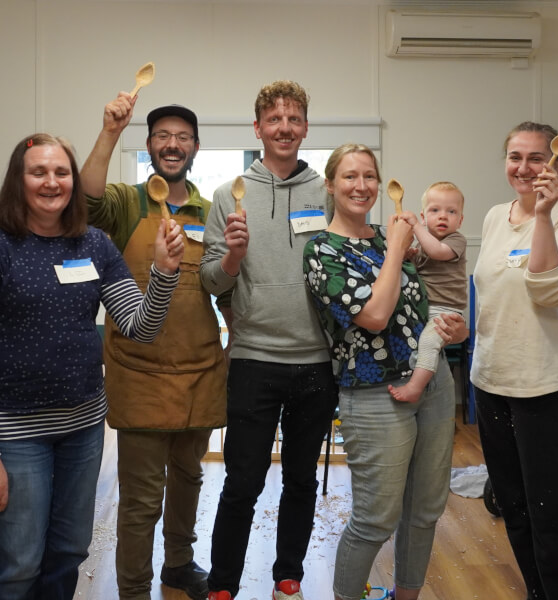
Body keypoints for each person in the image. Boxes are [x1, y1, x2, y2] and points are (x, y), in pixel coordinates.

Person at [0, 133, 184, 600]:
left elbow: (140, 326)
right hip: (14, 432)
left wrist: (164, 273)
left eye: (61, 172)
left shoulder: (93, 244)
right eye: (39, 172)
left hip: (82, 428)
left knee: (68, 552)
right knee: (17, 564)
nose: (51, 182)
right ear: (19, 179)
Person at [302, 144, 467, 600]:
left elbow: (418, 308)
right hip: (374, 392)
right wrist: (395, 248)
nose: (362, 186)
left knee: (426, 509)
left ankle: (406, 596)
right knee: (375, 519)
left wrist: (452, 327)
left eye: (370, 176)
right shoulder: (322, 250)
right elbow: (374, 315)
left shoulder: (385, 235)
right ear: (331, 185)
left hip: (432, 383)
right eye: (350, 177)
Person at [80, 92, 228, 600]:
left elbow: (224, 282)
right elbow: (87, 200)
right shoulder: (126, 201)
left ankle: (180, 564)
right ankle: (134, 589)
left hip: (201, 368)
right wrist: (109, 132)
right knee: (142, 497)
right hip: (139, 370)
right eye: (163, 136)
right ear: (149, 146)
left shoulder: (209, 211)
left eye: (182, 137)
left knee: (189, 479)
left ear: (196, 147)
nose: (173, 144)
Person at [199, 80, 339, 600]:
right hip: (254, 360)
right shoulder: (228, 195)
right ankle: (222, 585)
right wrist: (232, 257)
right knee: (242, 483)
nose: (285, 128)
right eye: (274, 119)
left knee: (302, 481)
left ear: (306, 127)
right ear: (257, 128)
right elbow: (211, 281)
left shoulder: (327, 193)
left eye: (294, 119)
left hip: (316, 364)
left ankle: (289, 575)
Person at [471, 121, 558, 600]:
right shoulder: (492, 217)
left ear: (555, 163)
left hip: (550, 387)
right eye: (514, 157)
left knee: (555, 518)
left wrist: (543, 215)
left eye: (535, 158)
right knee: (517, 510)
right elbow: (491, 295)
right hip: (492, 381)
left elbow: (550, 292)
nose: (523, 168)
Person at [389, 181, 467, 403]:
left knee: (429, 343)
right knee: (418, 343)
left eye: (451, 211)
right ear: (425, 215)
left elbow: (436, 251)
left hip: (446, 311)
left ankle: (416, 386)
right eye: (435, 210)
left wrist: (415, 227)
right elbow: (416, 265)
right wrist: (408, 254)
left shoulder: (456, 240)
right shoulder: (423, 244)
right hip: (425, 309)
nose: (443, 216)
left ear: (460, 220)